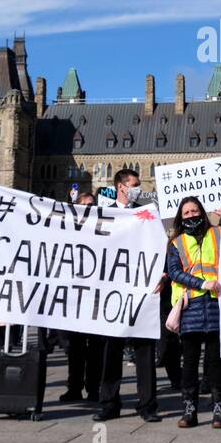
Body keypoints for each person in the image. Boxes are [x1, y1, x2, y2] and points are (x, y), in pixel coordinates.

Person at [96, 169, 162, 423]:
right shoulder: (105, 214)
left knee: (144, 351)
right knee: (110, 351)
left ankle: (147, 405)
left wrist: (161, 275)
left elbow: (158, 246)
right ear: (121, 187)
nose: (139, 188)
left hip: (141, 290)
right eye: (135, 184)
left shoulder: (147, 213)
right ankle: (109, 403)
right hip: (113, 291)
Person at [165, 197, 221, 428]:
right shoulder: (176, 242)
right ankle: (189, 408)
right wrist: (202, 284)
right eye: (186, 212)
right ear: (181, 217)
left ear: (201, 211)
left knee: (215, 362)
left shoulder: (218, 233)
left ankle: (219, 408)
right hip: (190, 305)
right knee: (189, 362)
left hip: (216, 304)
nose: (191, 215)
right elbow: (174, 272)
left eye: (194, 210)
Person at [61, 190, 103, 402]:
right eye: (86, 205)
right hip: (74, 296)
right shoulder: (68, 230)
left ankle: (94, 388)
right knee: (75, 347)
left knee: (95, 347)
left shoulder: (103, 229)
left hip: (96, 295)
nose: (90, 208)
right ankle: (74, 387)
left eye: (92, 205)